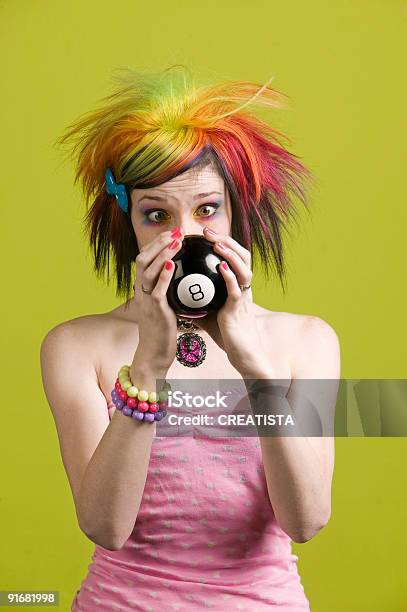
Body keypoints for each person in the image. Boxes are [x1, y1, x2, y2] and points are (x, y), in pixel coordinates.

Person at [40, 65, 340, 611]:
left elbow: (307, 520)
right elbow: (106, 527)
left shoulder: (306, 342)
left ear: (235, 212)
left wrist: (254, 367)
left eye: (207, 209)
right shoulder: (76, 347)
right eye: (157, 214)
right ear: (127, 221)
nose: (187, 237)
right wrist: (148, 369)